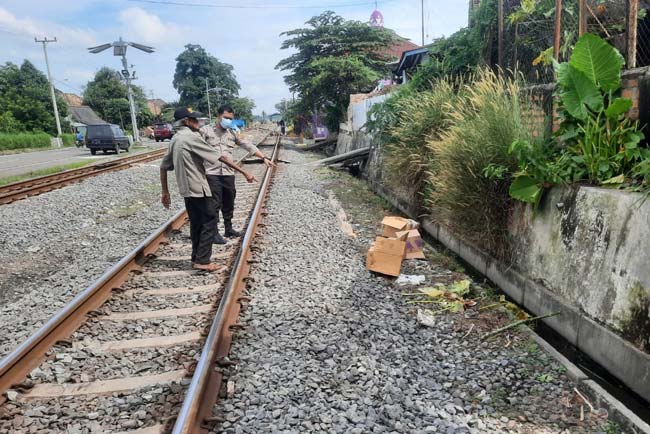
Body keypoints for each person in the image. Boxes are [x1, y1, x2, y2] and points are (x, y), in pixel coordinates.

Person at [160, 107, 256, 272]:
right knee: (210, 219)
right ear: (186, 122)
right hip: (198, 187)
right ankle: (203, 260)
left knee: (196, 223)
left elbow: (163, 166)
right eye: (195, 120)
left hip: (186, 189)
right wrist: (245, 172)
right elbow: (220, 157)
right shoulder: (191, 137)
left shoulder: (175, 139)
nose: (198, 123)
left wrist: (165, 191)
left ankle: (195, 258)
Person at [201, 105, 275, 244]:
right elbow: (195, 147)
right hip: (211, 172)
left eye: (230, 119)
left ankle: (228, 228)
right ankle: (214, 233)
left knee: (229, 200)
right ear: (218, 116)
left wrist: (263, 157)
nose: (228, 121)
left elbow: (247, 145)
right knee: (214, 203)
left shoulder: (232, 133)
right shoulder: (205, 131)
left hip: (228, 172)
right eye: (226, 118)